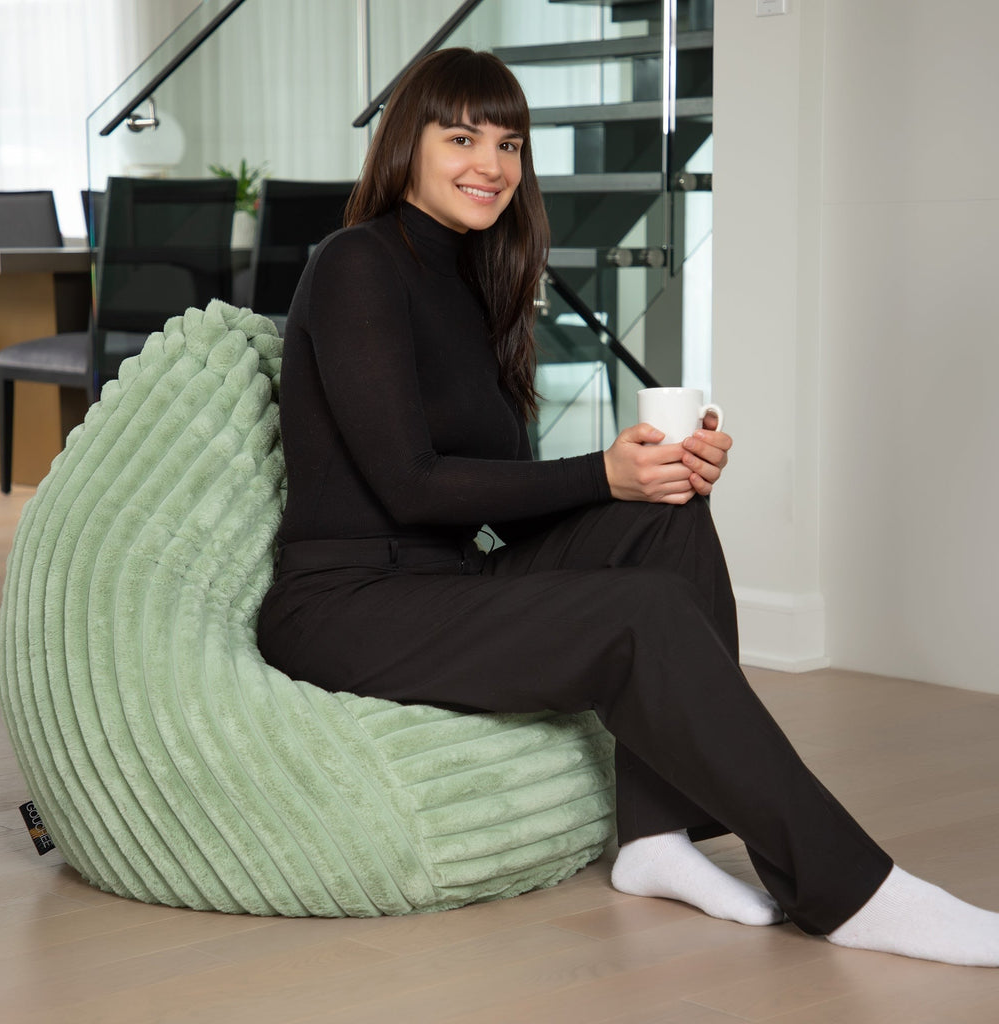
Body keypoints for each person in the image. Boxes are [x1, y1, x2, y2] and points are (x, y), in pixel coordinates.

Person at [257, 47, 999, 967]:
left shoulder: (472, 281)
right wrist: (599, 475)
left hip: (448, 575)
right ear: (407, 143)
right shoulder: (356, 263)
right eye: (462, 138)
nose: (490, 163)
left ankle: (653, 839)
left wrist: (654, 470)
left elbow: (497, 504)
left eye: (510, 143)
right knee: (642, 612)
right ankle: (853, 892)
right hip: (345, 605)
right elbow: (410, 483)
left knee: (670, 516)